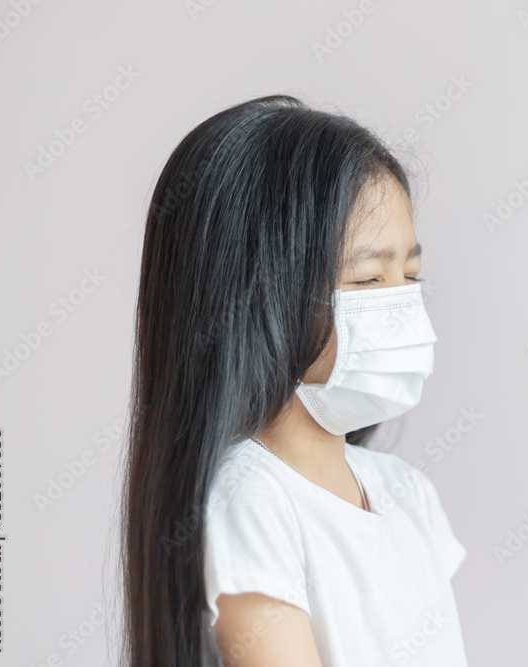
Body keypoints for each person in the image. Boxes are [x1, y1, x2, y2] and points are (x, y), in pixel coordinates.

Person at [119, 94, 469, 666]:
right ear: (261, 293)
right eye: (368, 281)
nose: (403, 305)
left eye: (410, 276)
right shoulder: (251, 502)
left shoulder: (408, 495)